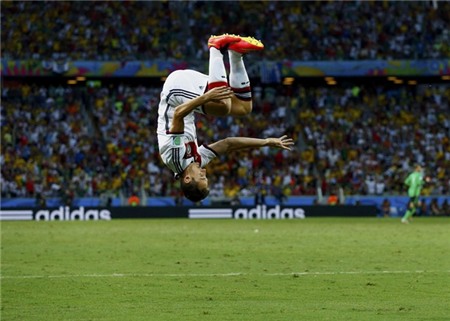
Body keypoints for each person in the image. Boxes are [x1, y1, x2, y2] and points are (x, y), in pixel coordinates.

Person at [157, 34, 294, 202]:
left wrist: (207, 97)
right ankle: (236, 54)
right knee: (243, 108)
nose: (204, 173)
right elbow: (228, 144)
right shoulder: (197, 161)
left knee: (223, 106)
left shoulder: (175, 157)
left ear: (187, 179)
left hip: (175, 91)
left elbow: (178, 113)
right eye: (205, 178)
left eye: (202, 178)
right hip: (185, 94)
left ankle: (215, 47)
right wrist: (265, 142)